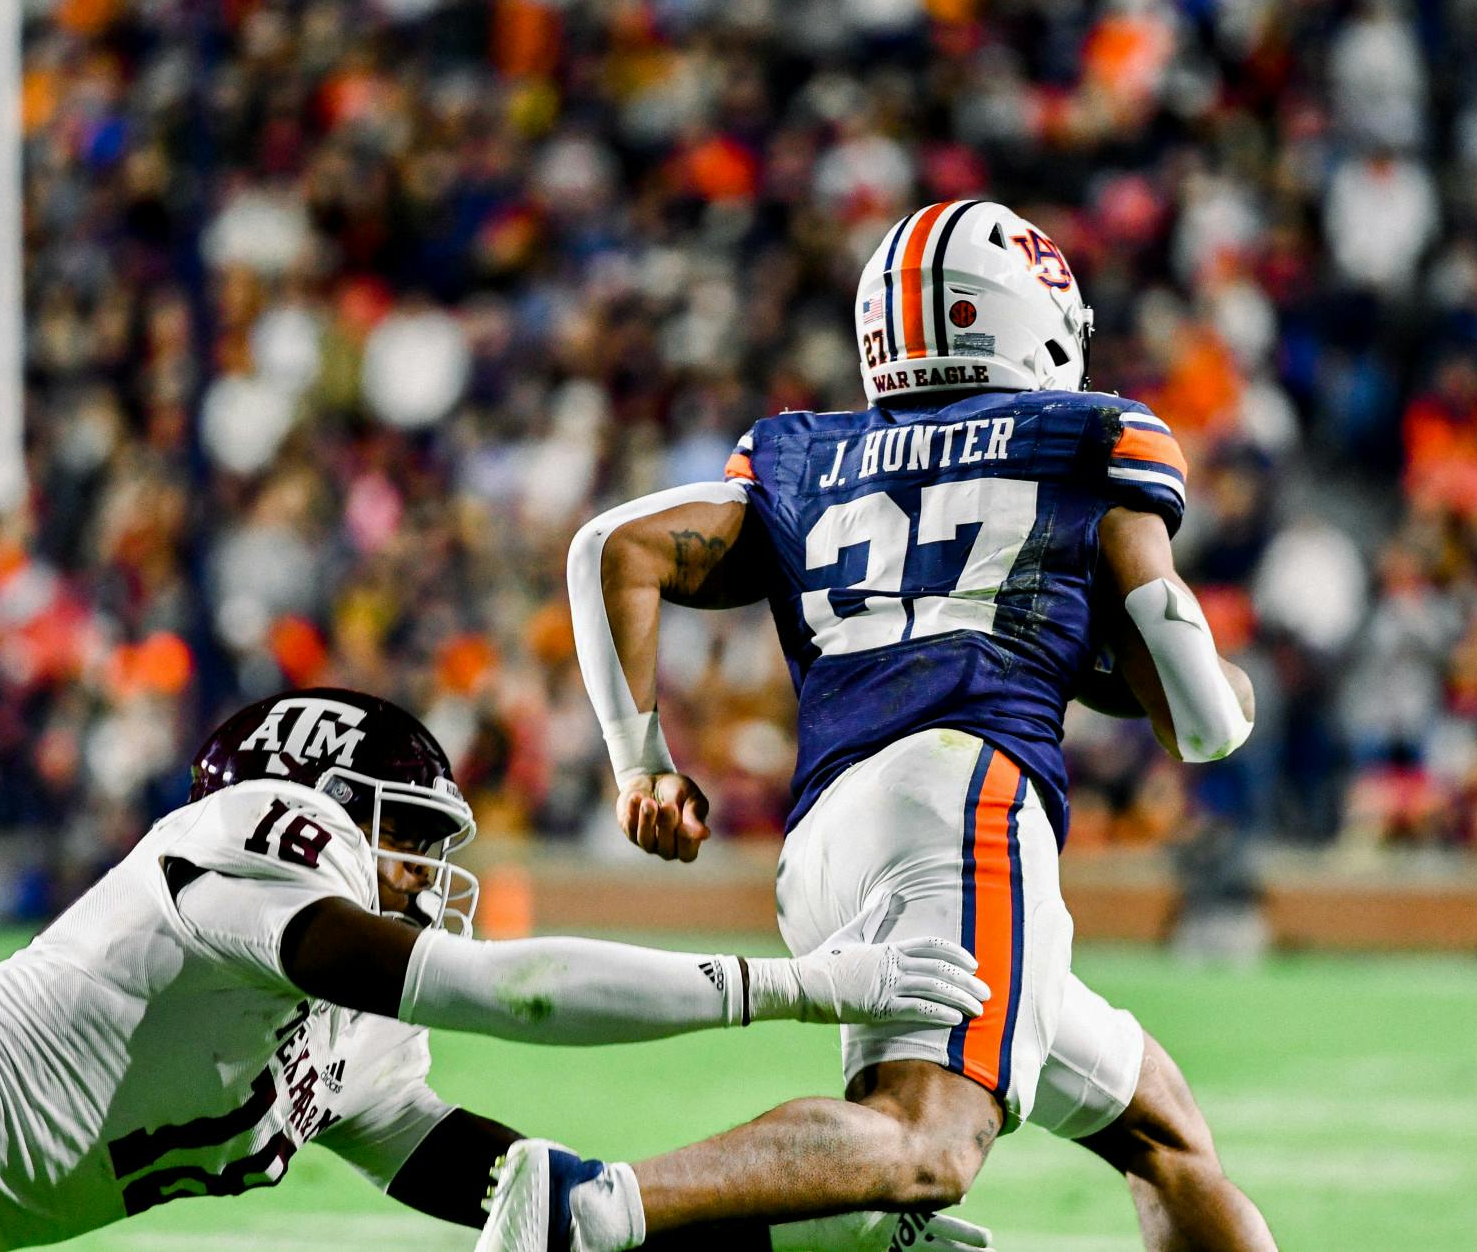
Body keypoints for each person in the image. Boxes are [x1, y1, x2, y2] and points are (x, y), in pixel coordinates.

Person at [519, 201, 1276, 1250]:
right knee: (923, 1145)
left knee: (1160, 1128)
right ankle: (598, 1210)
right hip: (960, 808)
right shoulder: (1086, 436)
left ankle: (793, 1230)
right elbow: (1197, 720)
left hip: (825, 842)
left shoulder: (802, 454)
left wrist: (640, 762)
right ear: (1031, 319)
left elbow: (613, 544)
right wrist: (1228, 691)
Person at [0, 687, 994, 1251]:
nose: (427, 872)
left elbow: (544, 1204)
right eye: (409, 834)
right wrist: (794, 985)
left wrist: (800, 1230)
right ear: (315, 799)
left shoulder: (345, 1036)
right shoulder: (249, 835)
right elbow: (507, 991)